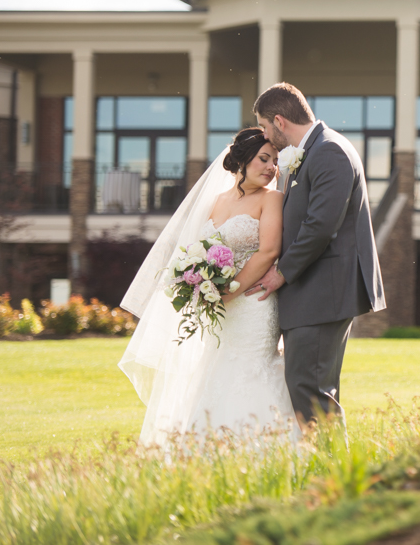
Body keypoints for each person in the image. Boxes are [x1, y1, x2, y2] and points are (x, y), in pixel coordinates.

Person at [119, 128, 297, 446]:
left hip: (254, 303)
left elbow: (269, 251)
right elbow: (195, 251)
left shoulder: (272, 198)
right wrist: (200, 285)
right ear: (241, 161)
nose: (272, 167)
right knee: (217, 368)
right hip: (221, 308)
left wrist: (231, 291)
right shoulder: (215, 201)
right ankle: (210, 448)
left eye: (275, 161)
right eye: (264, 159)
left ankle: (262, 446)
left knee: (252, 366)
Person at [247, 83, 385, 425]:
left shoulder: (329, 151)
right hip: (313, 293)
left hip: (323, 291)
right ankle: (326, 471)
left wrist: (281, 272)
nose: (264, 134)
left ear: (279, 121)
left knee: (312, 392)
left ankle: (334, 475)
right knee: (306, 388)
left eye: (264, 126)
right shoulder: (311, 152)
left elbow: (321, 225)